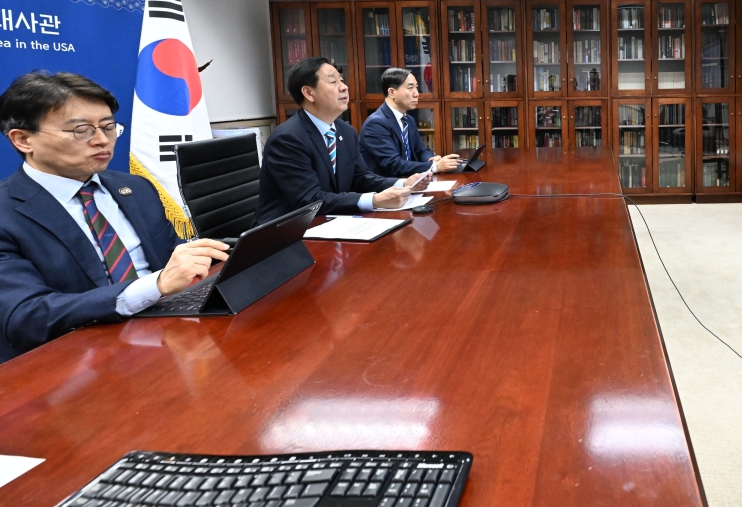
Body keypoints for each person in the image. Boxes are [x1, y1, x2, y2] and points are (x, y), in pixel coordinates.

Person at [0, 71, 229, 363]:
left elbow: (171, 254)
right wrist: (154, 286)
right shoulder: (7, 212)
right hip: (74, 361)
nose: (102, 141)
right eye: (82, 130)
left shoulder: (135, 187)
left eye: (109, 127)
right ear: (23, 140)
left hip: (165, 334)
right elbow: (26, 316)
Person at [256, 57, 427, 224]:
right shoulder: (287, 139)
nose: (344, 87)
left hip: (333, 222)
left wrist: (405, 183)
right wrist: (374, 200)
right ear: (308, 93)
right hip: (287, 235)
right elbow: (311, 200)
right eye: (333, 82)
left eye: (342, 80)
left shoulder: (345, 131)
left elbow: (361, 178)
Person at [361, 67, 460, 177]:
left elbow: (421, 150)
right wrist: (435, 167)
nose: (417, 94)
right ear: (392, 92)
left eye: (416, 88)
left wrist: (430, 159)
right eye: (410, 88)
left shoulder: (408, 120)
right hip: (388, 189)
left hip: (410, 182)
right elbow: (394, 165)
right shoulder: (376, 124)